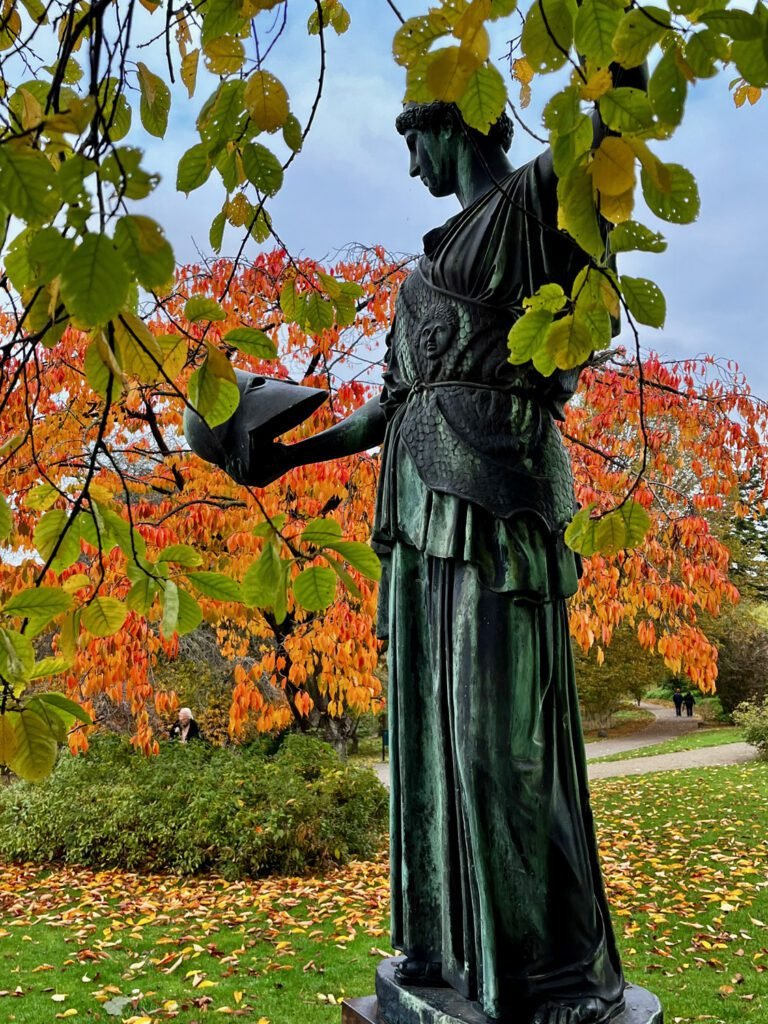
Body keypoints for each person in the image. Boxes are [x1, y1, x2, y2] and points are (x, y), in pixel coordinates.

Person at [197, 91, 648, 1024]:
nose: (413, 168)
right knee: (431, 740)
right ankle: (449, 948)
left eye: (416, 143)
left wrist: (615, 44)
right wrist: (287, 457)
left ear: (455, 123)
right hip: (417, 514)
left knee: (502, 747)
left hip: (500, 503)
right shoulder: (419, 278)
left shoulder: (529, 209)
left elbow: (612, 127)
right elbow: (393, 406)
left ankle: (554, 974)